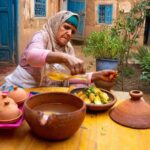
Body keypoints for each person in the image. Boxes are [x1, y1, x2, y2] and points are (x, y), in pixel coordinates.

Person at [0, 10, 117, 91]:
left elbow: (69, 78)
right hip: (16, 90)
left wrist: (97, 76)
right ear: (56, 24)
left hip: (39, 95)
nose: (69, 34)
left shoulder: (68, 48)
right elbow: (31, 56)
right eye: (66, 27)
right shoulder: (43, 36)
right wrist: (63, 58)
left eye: (73, 31)